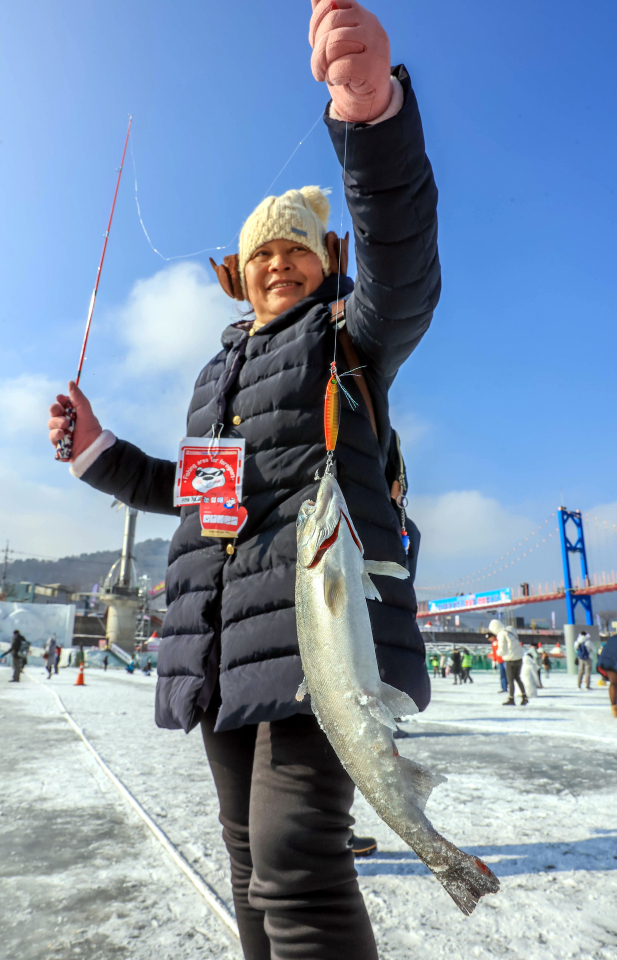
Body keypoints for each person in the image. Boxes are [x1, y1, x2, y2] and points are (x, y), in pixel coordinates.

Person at [47, 4, 440, 955]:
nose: (277, 261)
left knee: (296, 857)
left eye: (296, 246)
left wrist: (370, 117)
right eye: (262, 249)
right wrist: (98, 447)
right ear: (240, 271)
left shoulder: (350, 336)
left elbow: (404, 264)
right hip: (222, 647)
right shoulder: (216, 376)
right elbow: (194, 494)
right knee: (244, 863)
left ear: (323, 259)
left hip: (321, 640)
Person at [487, 619, 528, 706]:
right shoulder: (510, 629)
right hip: (519, 657)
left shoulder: (501, 634)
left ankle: (511, 699)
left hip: (510, 659)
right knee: (518, 678)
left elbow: (502, 650)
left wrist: (497, 653)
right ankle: (524, 697)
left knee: (510, 680)